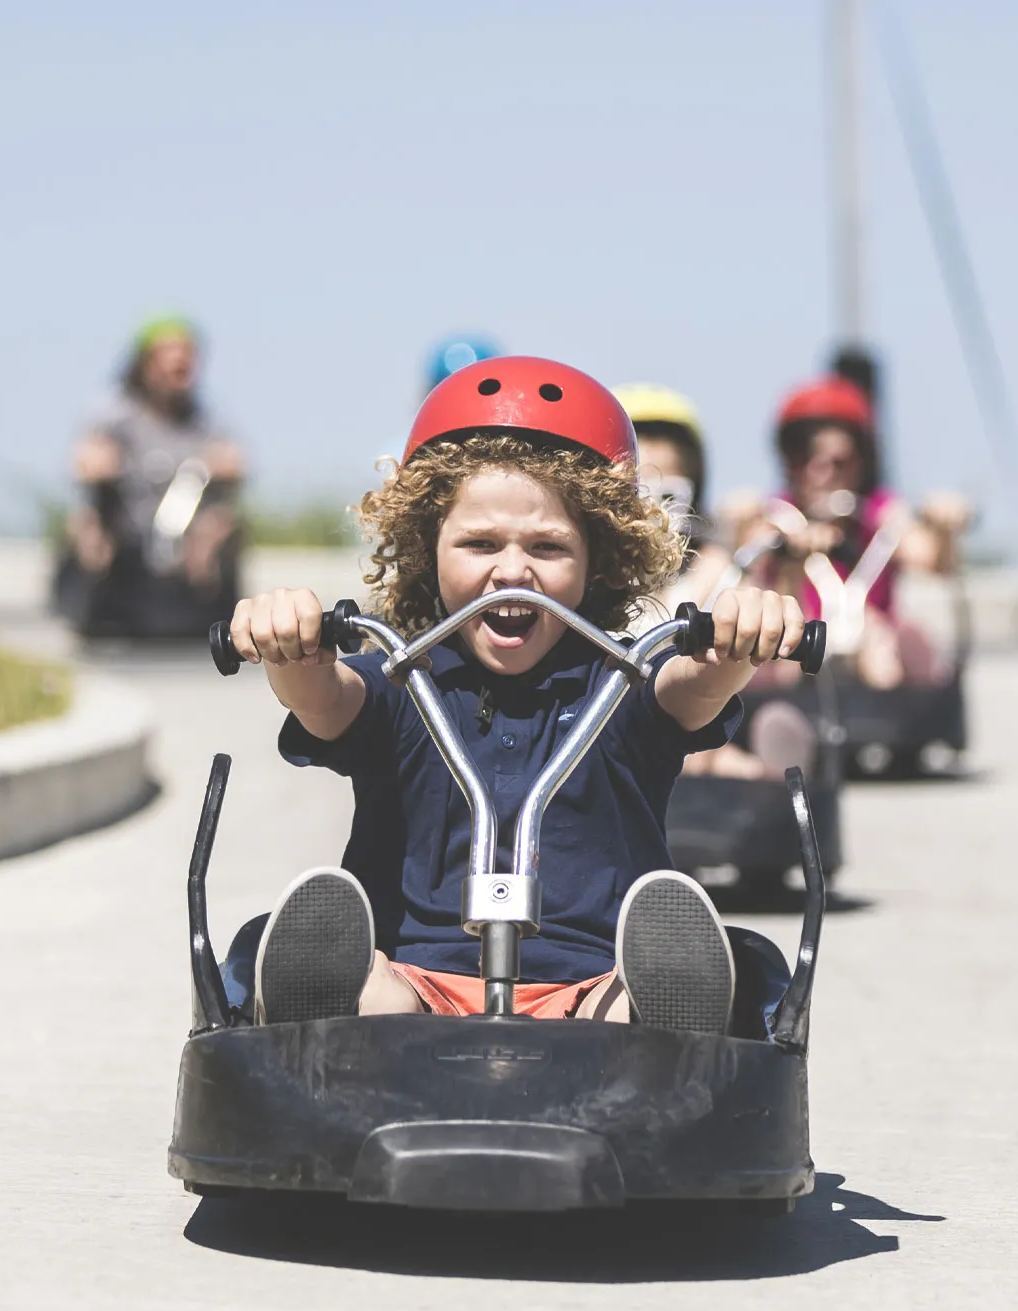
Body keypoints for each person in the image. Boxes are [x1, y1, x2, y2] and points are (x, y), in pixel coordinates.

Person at [220, 356, 809, 1033]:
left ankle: (673, 1010)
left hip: (588, 993)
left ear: (600, 557)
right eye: (480, 543)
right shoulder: (402, 682)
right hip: (414, 991)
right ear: (425, 547)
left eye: (548, 547)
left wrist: (736, 642)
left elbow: (692, 688)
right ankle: (314, 1014)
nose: (512, 572)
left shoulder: (622, 686)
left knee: (624, 1008)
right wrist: (288, 642)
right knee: (371, 988)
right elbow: (324, 700)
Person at [614, 382, 817, 779]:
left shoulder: (713, 566)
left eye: (669, 494)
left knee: (708, 743)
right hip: (609, 728)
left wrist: (783, 567)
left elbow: (778, 668)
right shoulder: (587, 573)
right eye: (639, 493)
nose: (654, 509)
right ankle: (756, 776)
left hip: (692, 722)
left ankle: (765, 775)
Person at [727, 374, 973, 690]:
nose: (821, 473)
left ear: (861, 462)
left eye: (839, 462)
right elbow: (746, 554)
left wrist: (943, 528)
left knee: (893, 640)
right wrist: (751, 527)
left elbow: (930, 559)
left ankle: (887, 727)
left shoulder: (878, 513)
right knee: (775, 637)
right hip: (794, 650)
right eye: (806, 458)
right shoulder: (777, 513)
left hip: (869, 650)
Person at [60, 315, 244, 634]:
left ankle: (210, 607)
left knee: (226, 524)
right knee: (85, 525)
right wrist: (101, 462)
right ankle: (92, 609)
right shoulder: (116, 413)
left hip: (182, 535)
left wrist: (224, 466)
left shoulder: (203, 420)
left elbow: (232, 459)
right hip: (127, 533)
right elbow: (85, 460)